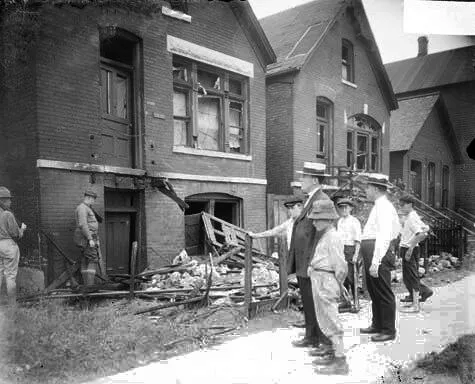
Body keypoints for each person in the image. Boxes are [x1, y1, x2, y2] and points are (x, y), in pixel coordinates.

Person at [288, 162, 332, 351]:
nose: (300, 181)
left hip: (312, 262)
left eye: (303, 178)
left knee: (318, 303)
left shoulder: (321, 200)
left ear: (314, 180)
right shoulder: (310, 199)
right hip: (304, 261)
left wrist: (314, 262)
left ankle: (325, 343)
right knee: (308, 300)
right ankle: (311, 337)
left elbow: (322, 235)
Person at [307, 200, 349, 375]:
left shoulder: (333, 236)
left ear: (329, 219)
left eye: (319, 218)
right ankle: (333, 353)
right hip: (320, 277)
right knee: (324, 318)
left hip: (327, 279)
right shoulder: (326, 234)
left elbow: (340, 265)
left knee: (331, 320)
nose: (314, 222)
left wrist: (339, 284)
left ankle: (340, 362)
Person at [359, 173, 401, 342]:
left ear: (376, 189)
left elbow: (384, 234)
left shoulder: (384, 207)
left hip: (379, 252)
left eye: (368, 187)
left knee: (383, 291)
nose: (366, 190)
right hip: (373, 250)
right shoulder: (379, 205)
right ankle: (377, 324)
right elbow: (396, 228)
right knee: (374, 290)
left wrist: (376, 260)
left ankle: (388, 330)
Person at [398, 194, 433, 312]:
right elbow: (426, 229)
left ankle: (416, 306)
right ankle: (416, 299)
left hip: (409, 248)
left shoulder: (411, 217)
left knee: (411, 277)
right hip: (411, 248)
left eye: (402, 205)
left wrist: (410, 248)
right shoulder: (413, 216)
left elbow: (421, 234)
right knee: (408, 276)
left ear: (409, 205)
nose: (401, 207)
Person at [0, 187, 26, 304]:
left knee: (0, 273)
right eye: (9, 200)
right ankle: (12, 304)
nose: (10, 202)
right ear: (3, 201)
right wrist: (22, 229)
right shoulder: (8, 214)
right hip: (8, 245)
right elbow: (16, 234)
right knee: (10, 275)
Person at [335, 198, 362, 311]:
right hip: (341, 250)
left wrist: (356, 254)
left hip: (350, 250)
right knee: (343, 278)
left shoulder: (354, 221)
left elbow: (358, 240)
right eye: (341, 207)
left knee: (352, 278)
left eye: (346, 207)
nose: (344, 210)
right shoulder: (340, 221)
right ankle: (346, 302)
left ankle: (356, 303)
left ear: (351, 208)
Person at [74, 189, 101, 286]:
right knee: (92, 258)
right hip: (86, 238)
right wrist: (90, 239)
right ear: (88, 198)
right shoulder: (82, 208)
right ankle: (89, 286)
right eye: (93, 200)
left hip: (88, 237)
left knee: (86, 259)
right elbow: (83, 224)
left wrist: (95, 239)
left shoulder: (86, 208)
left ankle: (87, 285)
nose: (93, 202)